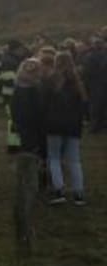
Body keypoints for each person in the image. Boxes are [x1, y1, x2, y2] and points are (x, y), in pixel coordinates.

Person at [11, 58, 47, 254]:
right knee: (31, 175)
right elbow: (40, 115)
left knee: (22, 173)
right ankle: (28, 210)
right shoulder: (36, 90)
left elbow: (14, 113)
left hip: (21, 135)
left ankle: (23, 206)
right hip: (33, 136)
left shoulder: (18, 88)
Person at [43, 52, 88, 206]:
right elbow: (83, 105)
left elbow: (44, 104)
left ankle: (59, 191)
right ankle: (79, 194)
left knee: (54, 158)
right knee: (74, 160)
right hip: (73, 125)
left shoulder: (50, 81)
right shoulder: (77, 83)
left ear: (56, 63)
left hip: (54, 125)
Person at [84, 36, 107, 133]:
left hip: (96, 83)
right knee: (100, 105)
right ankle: (99, 125)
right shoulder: (102, 55)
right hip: (101, 82)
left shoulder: (90, 56)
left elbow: (88, 71)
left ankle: (95, 126)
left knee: (96, 105)